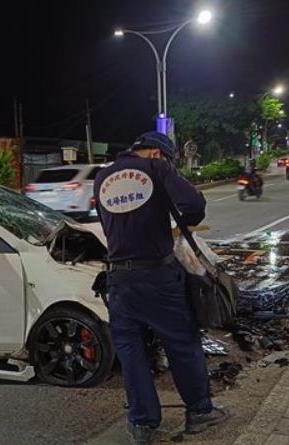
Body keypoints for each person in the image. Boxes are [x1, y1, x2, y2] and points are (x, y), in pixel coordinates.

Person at [94, 132, 228, 444]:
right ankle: (199, 412)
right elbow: (194, 203)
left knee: (131, 352)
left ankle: (142, 424)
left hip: (119, 281)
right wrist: (182, 221)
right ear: (156, 153)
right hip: (157, 277)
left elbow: (107, 223)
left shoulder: (102, 176)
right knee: (181, 342)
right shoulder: (155, 168)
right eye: (168, 159)